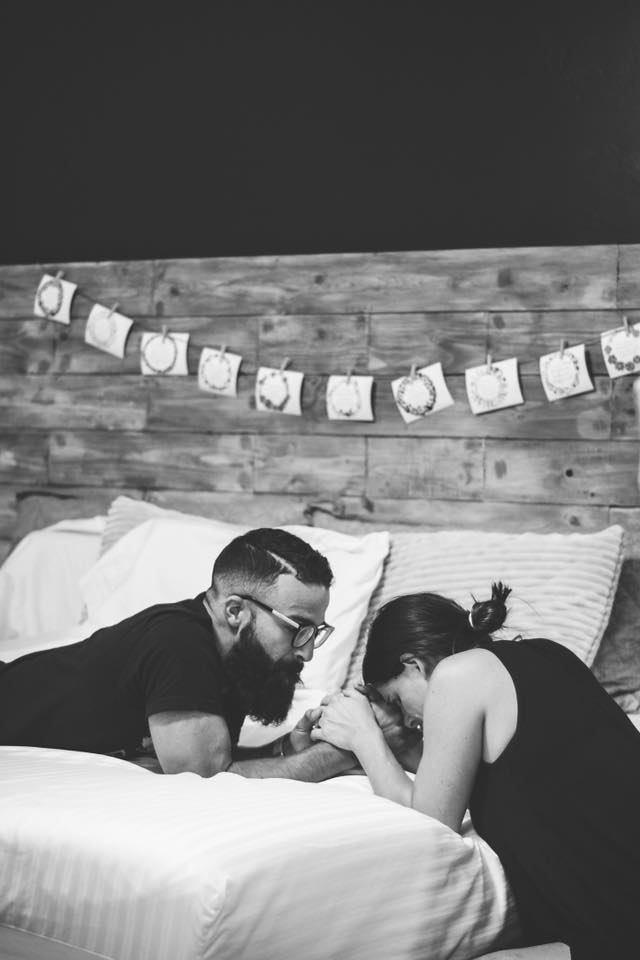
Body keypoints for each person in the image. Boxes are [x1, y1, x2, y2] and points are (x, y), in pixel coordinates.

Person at [310, 582, 640, 959]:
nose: (408, 720)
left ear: (413, 664)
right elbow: (516, 773)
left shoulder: (457, 675)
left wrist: (364, 737)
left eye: (397, 700)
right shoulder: (549, 653)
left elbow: (431, 822)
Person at [0, 527, 355, 781]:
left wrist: (285, 748)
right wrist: (343, 753)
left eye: (316, 633)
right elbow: (205, 777)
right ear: (235, 612)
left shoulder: (239, 658)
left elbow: (217, 758)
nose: (307, 652)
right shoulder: (177, 642)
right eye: (297, 629)